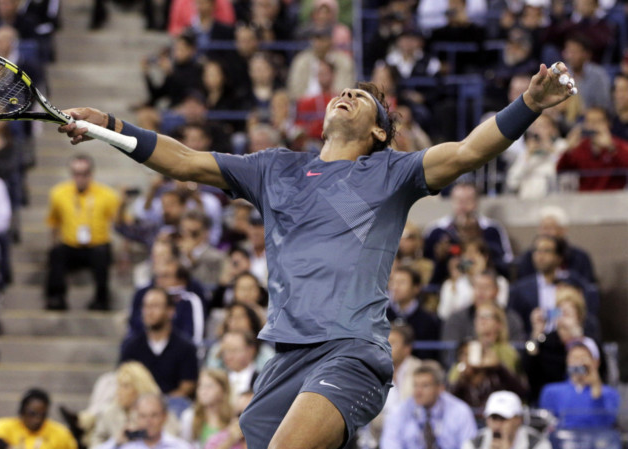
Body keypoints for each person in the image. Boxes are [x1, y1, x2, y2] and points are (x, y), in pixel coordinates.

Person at [60, 60, 576, 449]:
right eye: (343, 91)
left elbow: (467, 151)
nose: (347, 93)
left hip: (351, 353)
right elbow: (185, 161)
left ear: (379, 132)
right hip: (285, 360)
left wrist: (527, 104)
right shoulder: (274, 169)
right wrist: (108, 124)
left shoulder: (392, 174)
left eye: (363, 96)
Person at [44, 154, 120, 311]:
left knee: (101, 253)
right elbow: (54, 222)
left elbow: (119, 222)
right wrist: (53, 243)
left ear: (91, 174)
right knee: (56, 253)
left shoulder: (106, 194)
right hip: (71, 245)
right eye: (76, 174)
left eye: (84, 174)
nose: (80, 178)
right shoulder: (59, 193)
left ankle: (101, 299)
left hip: (97, 245)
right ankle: (56, 298)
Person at [119, 287, 199, 404]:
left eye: (155, 306)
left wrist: (159, 403)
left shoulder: (185, 347)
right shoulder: (131, 346)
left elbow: (188, 386)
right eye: (146, 306)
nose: (149, 312)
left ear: (170, 311)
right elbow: (123, 377)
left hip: (172, 406)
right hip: (136, 404)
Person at [380, 360, 478, 449]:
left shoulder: (460, 411)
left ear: (440, 388)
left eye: (425, 386)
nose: (418, 392)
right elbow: (390, 444)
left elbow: (469, 445)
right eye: (415, 385)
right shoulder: (399, 412)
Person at [539, 343, 620, 430]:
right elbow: (548, 426)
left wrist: (596, 387)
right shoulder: (551, 391)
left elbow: (606, 424)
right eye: (574, 358)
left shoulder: (609, 393)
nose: (578, 362)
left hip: (596, 440)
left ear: (595, 362)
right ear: (567, 361)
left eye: (583, 358)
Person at [0, 388, 78, 449]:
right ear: (22, 411)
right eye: (32, 414)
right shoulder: (4, 425)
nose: (37, 419)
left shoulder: (60, 432)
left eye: (42, 415)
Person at [95, 393, 192, 449]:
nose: (148, 421)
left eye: (154, 415)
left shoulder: (179, 446)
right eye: (143, 416)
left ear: (164, 417)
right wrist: (116, 442)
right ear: (136, 418)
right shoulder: (127, 446)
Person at [462, 391, 552, 449]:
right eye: (493, 418)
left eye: (503, 419)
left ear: (518, 420)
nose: (497, 425)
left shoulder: (537, 444)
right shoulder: (474, 444)